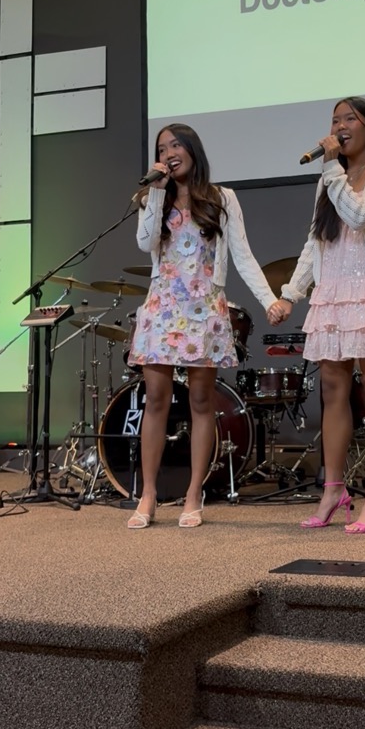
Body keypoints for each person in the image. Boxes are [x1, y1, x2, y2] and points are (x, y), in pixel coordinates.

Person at [268, 97, 365, 534]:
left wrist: (331, 168)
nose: (338, 126)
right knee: (331, 390)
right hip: (333, 293)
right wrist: (291, 294)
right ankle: (333, 489)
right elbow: (316, 242)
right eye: (334, 120)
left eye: (348, 118)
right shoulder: (330, 179)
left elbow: (361, 214)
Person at [126, 122, 280, 529]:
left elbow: (243, 256)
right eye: (162, 147)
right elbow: (145, 245)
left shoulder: (222, 198)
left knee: (200, 404)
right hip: (162, 305)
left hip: (204, 307)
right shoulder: (150, 197)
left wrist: (268, 300)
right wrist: (156, 191)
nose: (169, 151)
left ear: (193, 150)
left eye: (176, 144)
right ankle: (149, 494)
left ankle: (194, 494)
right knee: (155, 399)